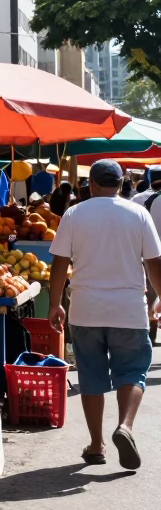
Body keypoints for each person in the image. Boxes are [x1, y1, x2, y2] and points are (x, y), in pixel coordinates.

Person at [48, 159, 161, 470]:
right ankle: (125, 427)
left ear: (92, 184)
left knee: (92, 376)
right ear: (122, 182)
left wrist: (54, 302)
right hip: (129, 310)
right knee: (133, 372)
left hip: (85, 310)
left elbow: (59, 263)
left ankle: (96, 444)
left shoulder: (74, 214)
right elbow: (154, 263)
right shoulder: (138, 213)